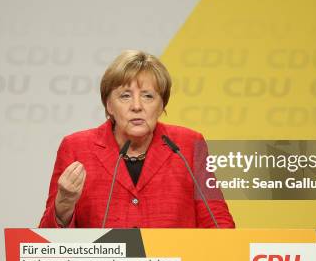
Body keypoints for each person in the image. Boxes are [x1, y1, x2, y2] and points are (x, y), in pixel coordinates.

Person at [39, 50, 235, 228]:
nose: (137, 106)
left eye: (148, 96)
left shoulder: (189, 145)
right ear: (109, 105)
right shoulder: (76, 148)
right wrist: (64, 203)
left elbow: (218, 222)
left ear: (161, 105)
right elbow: (48, 242)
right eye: (125, 96)